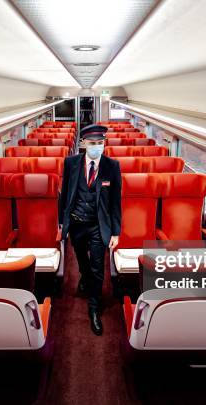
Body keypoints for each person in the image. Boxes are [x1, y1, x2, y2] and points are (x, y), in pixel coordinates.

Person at [58, 124, 122, 335]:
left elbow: (115, 202)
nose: (97, 147)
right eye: (93, 143)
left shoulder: (112, 166)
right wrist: (61, 223)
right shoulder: (71, 163)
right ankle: (83, 276)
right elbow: (66, 194)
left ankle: (93, 308)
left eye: (100, 143)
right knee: (81, 259)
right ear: (83, 143)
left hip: (97, 225)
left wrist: (116, 232)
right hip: (76, 223)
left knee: (97, 267)